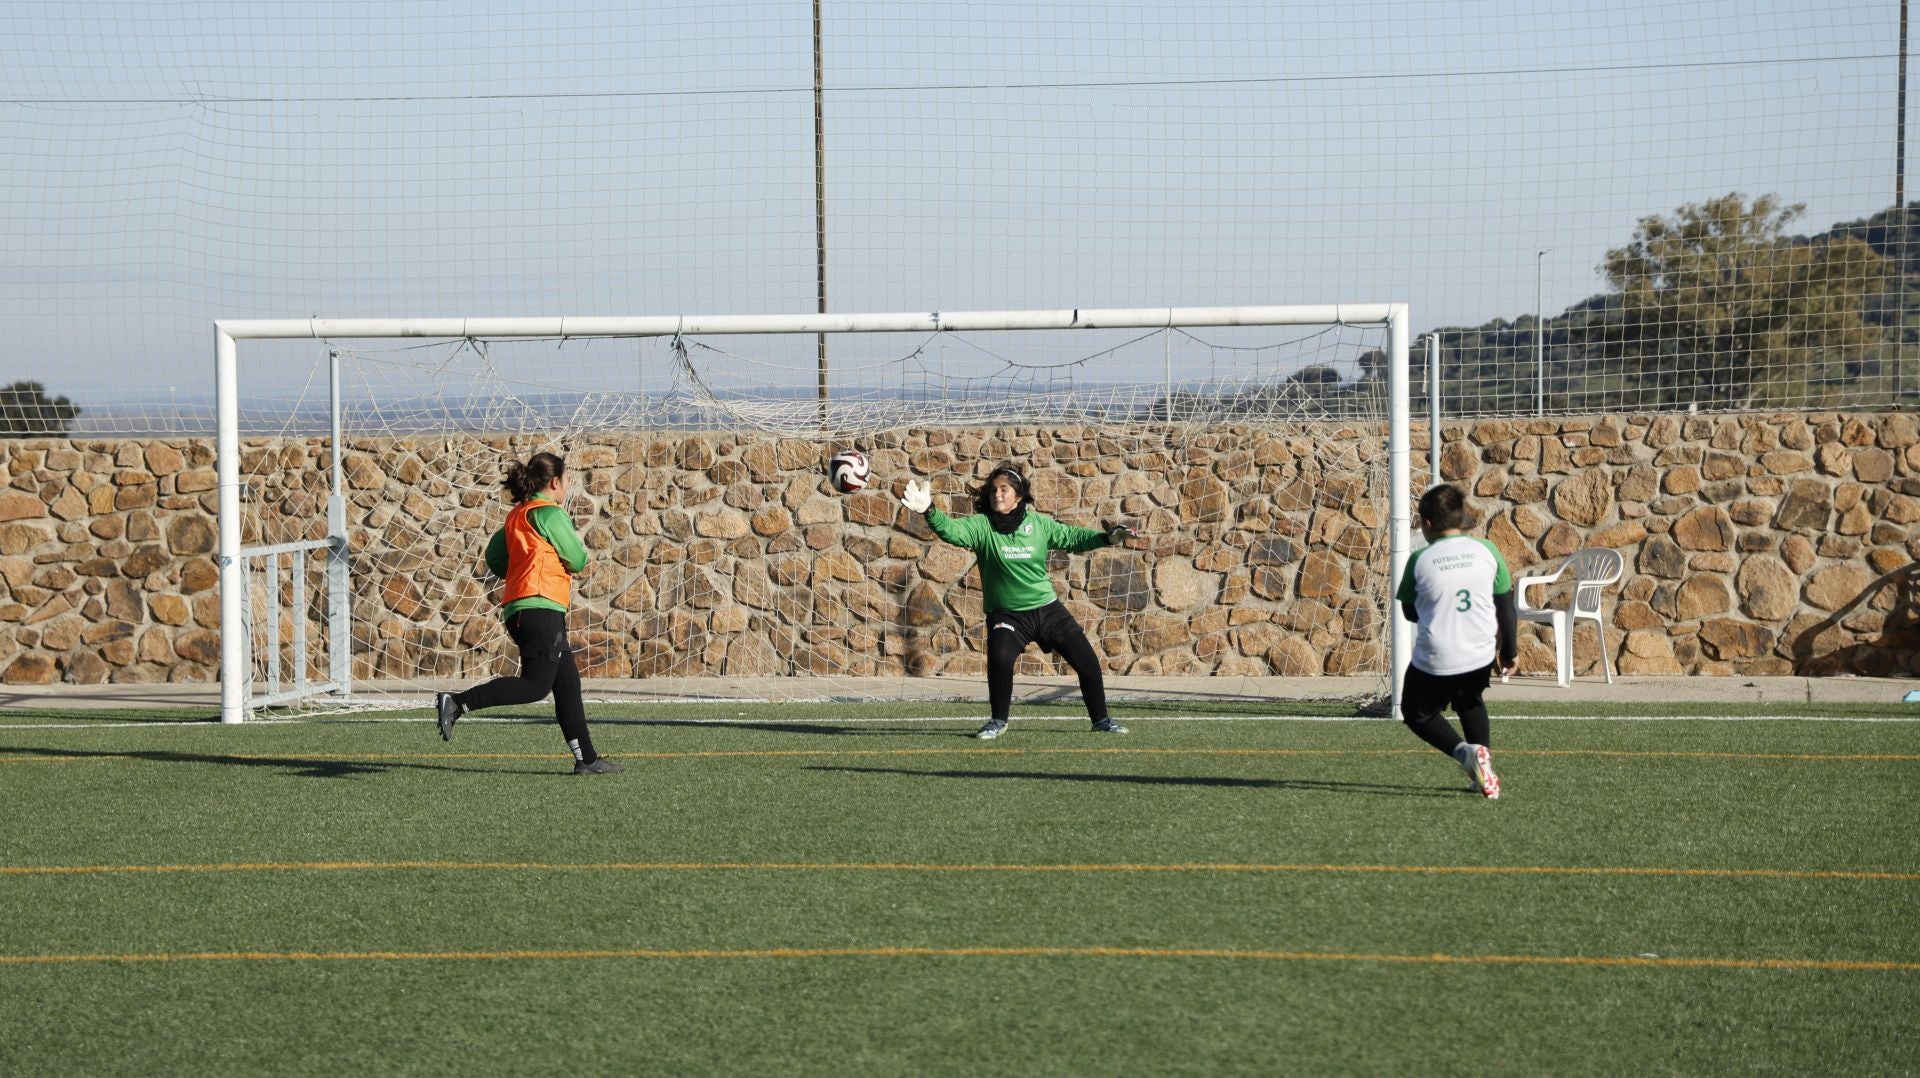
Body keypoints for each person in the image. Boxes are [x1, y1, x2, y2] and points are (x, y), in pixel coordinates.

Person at [898, 463, 1136, 739]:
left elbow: (1074, 537)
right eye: (993, 490)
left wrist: (1107, 538)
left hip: (1048, 610)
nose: (997, 495)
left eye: (1004, 490)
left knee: (1088, 662)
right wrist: (929, 511)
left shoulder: (1038, 524)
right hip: (1007, 615)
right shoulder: (982, 526)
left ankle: (1102, 721)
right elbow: (952, 531)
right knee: (1000, 658)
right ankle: (998, 721)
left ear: (1019, 496)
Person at [435, 451, 622, 775]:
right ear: (555, 482)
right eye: (567, 480)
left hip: (521, 610)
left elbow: (495, 560)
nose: (568, 486)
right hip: (541, 608)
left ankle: (587, 760)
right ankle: (457, 702)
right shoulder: (550, 513)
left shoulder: (516, 516)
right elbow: (577, 559)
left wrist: (523, 568)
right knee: (536, 686)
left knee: (567, 683)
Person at [1394, 483, 1516, 799]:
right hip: (1480, 652)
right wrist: (1510, 651)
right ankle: (1484, 773)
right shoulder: (1487, 549)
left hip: (1437, 657)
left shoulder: (1420, 559)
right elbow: (1505, 604)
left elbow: (1409, 611)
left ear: (1427, 524)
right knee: (1469, 700)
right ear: (1461, 518)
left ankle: (1466, 753)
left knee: (1416, 713)